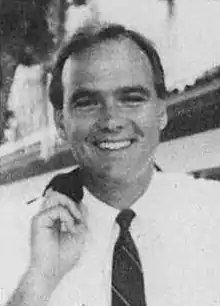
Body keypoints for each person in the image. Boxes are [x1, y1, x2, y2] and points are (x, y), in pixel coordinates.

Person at [3, 23, 220, 306]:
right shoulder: (15, 239)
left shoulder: (212, 215)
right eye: (87, 103)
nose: (111, 121)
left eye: (131, 99)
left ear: (161, 112)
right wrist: (40, 280)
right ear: (61, 123)